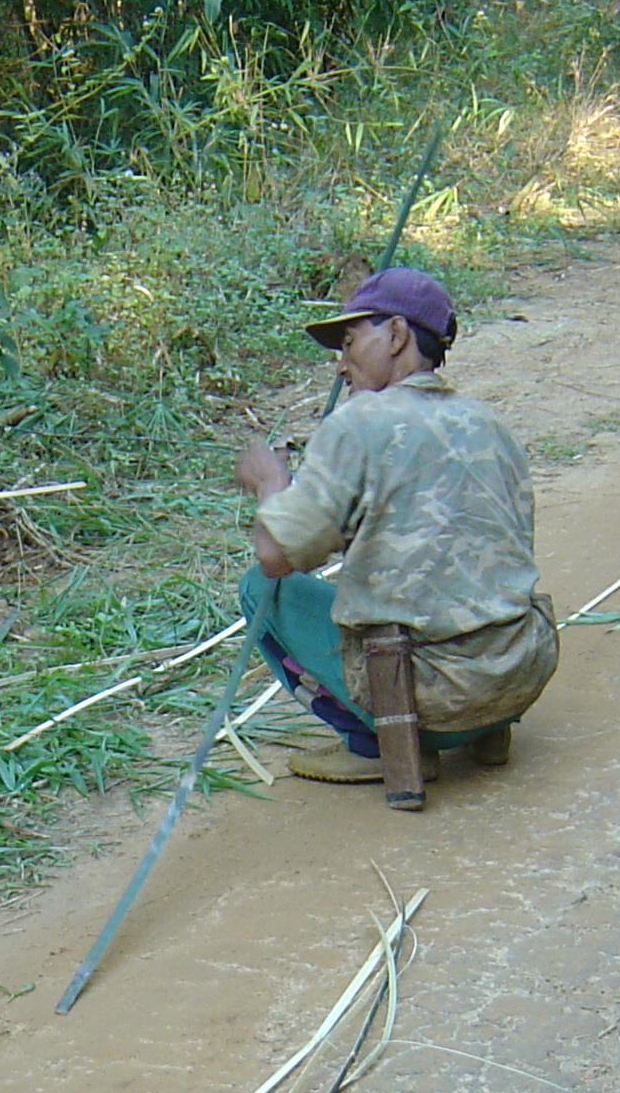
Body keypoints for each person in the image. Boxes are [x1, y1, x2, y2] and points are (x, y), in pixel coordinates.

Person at [233, 266, 556, 794]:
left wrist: (272, 483)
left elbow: (276, 555)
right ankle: (491, 732)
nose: (341, 366)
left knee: (260, 586)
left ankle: (373, 745)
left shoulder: (357, 424)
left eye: (350, 341)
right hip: (517, 673)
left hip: (431, 702)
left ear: (398, 335)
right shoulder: (490, 423)